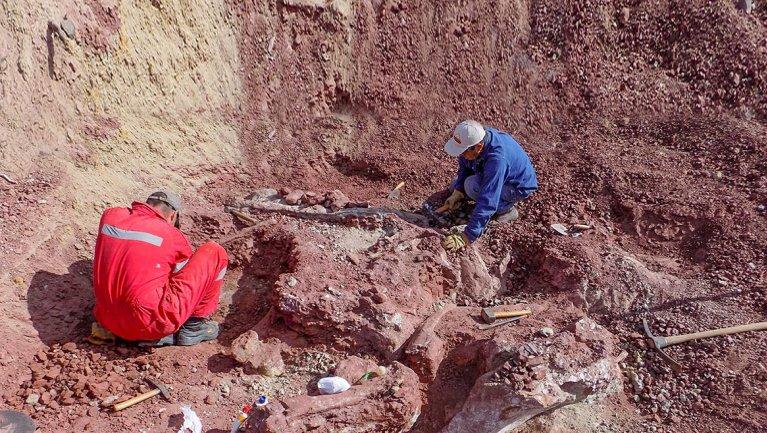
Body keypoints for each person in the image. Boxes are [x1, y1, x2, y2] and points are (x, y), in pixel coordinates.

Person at [91, 189, 228, 346]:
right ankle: (193, 327)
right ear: (172, 216)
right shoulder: (171, 234)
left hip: (108, 320)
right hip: (147, 325)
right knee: (215, 252)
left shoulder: (110, 216)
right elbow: (182, 277)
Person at [438, 120, 538, 252]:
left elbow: (488, 198)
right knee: (456, 185)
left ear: (478, 147)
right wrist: (458, 191)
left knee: (471, 186)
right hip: (496, 171)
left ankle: (506, 210)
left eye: (463, 152)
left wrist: (467, 236)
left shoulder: (497, 160)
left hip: (517, 186)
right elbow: (464, 166)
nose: (461, 155)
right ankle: (464, 192)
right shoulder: (474, 139)